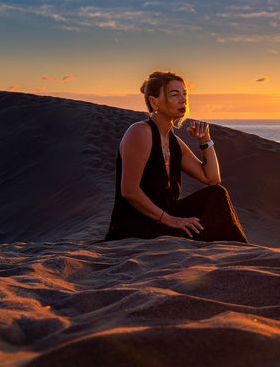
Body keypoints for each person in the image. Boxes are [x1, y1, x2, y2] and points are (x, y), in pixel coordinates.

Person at [103, 71, 249, 243]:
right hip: (139, 225)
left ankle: (233, 252)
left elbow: (212, 179)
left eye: (184, 94)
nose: (183, 100)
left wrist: (205, 139)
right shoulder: (140, 132)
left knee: (216, 194)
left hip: (168, 218)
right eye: (174, 94)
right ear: (153, 101)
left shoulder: (175, 143)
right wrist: (171, 220)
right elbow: (129, 191)